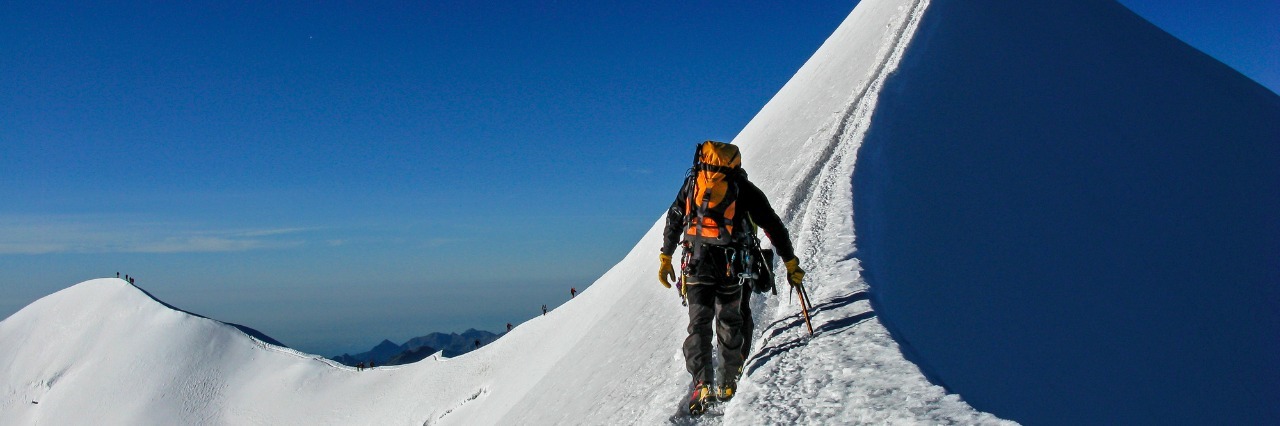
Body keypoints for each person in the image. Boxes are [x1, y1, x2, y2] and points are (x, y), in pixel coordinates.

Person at [657, 141, 805, 415]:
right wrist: (790, 261)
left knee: (698, 324)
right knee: (729, 320)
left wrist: (666, 256)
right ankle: (728, 382)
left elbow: (675, 217)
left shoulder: (694, 184)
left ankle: (702, 382)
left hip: (696, 264)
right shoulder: (741, 187)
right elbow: (772, 224)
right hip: (731, 268)